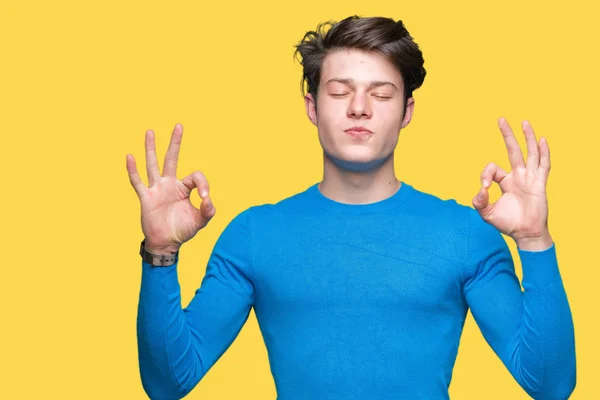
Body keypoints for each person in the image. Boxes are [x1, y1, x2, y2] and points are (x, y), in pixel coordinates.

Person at [126, 15, 576, 400]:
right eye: (340, 92)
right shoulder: (254, 234)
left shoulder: (465, 232)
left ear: (406, 111)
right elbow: (169, 383)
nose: (359, 108)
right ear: (312, 107)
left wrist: (535, 242)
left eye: (381, 95)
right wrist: (160, 253)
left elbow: (550, 385)